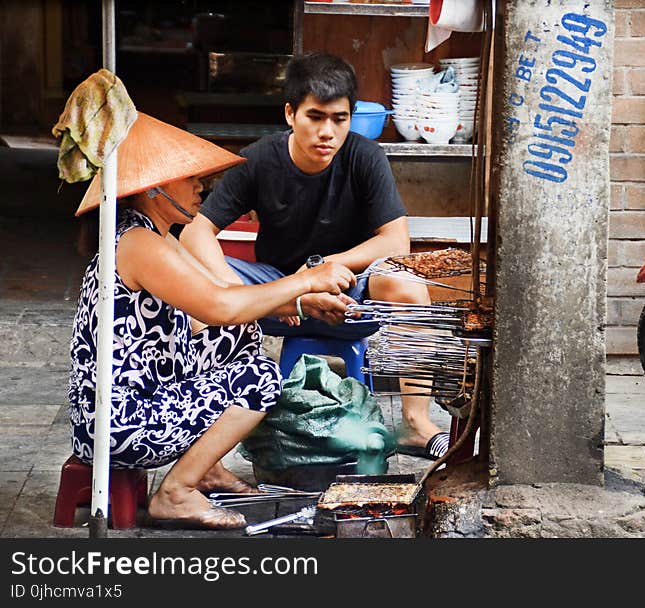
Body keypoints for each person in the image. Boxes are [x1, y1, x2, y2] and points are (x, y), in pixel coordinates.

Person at [67, 112, 356, 529]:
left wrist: (299, 303)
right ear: (154, 188)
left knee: (240, 336)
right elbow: (219, 307)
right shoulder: (137, 242)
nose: (201, 186)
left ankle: (206, 468)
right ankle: (176, 492)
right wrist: (305, 280)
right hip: (116, 424)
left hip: (137, 399)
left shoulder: (156, 234)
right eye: (189, 178)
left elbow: (228, 303)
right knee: (260, 377)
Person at [180, 52, 449, 460]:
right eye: (315, 117)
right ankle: (207, 440)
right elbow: (195, 232)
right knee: (188, 276)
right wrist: (248, 291)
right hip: (273, 294)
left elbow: (396, 242)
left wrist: (327, 267)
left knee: (407, 284)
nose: (327, 132)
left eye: (339, 119)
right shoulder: (259, 159)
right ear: (290, 114)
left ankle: (416, 423)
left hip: (348, 295)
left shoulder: (364, 156)